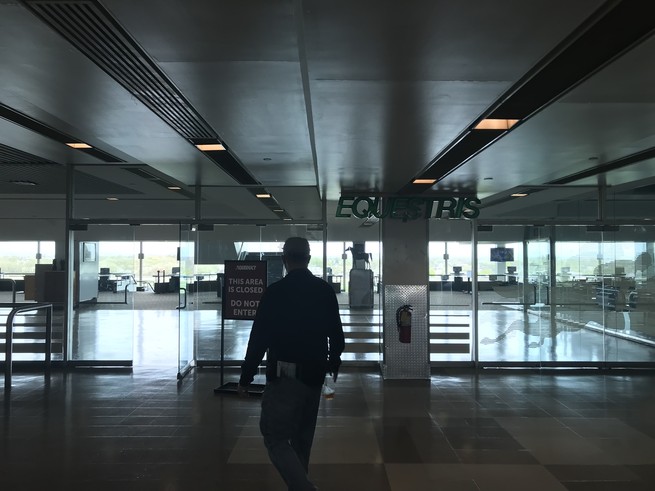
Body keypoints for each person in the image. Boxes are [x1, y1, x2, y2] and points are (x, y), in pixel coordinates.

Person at [238, 237, 345, 491]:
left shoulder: (275, 293)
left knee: (275, 437)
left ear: (285, 259)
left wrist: (246, 377)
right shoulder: (324, 290)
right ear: (308, 259)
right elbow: (337, 337)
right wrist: (333, 362)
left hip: (285, 375)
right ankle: (299, 483)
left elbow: (258, 339)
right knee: (302, 439)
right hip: (314, 376)